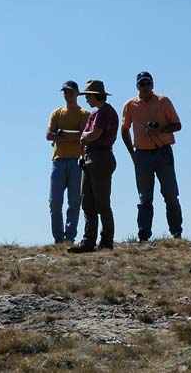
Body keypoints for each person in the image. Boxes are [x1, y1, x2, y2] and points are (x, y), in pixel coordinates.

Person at [121, 71, 184, 241]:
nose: (146, 87)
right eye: (142, 84)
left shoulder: (164, 101)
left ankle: (176, 232)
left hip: (163, 152)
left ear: (153, 85)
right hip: (142, 155)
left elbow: (178, 125)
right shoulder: (130, 105)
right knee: (144, 198)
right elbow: (124, 129)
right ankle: (143, 235)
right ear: (137, 86)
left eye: (148, 84)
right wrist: (132, 153)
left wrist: (160, 129)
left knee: (170, 195)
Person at [68, 80, 119, 253]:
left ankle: (106, 242)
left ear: (95, 96)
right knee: (87, 202)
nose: (86, 100)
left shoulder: (106, 112)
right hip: (90, 158)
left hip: (101, 158)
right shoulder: (95, 113)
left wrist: (85, 137)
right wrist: (85, 138)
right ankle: (88, 241)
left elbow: (94, 134)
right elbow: (87, 135)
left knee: (102, 203)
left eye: (88, 96)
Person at [46, 80, 90, 244]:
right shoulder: (57, 113)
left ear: (77, 93)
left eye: (70, 91)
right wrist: (68, 136)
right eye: (65, 92)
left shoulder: (84, 113)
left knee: (74, 202)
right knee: (54, 202)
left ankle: (69, 237)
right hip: (58, 160)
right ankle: (58, 238)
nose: (68, 94)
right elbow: (49, 135)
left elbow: (82, 136)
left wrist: (62, 133)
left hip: (76, 161)